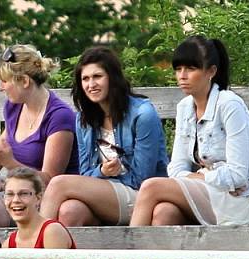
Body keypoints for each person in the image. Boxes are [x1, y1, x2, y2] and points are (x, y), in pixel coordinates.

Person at [110, 36, 249, 259]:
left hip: (236, 202)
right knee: (162, 215)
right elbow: (176, 167)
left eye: (190, 69)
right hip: (208, 193)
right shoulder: (186, 107)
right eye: (178, 69)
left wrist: (201, 176)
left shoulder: (229, 105)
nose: (182, 76)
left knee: (150, 188)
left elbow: (237, 175)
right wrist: (197, 176)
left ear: (210, 71)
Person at [41, 46, 169, 227]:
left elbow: (142, 179)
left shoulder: (143, 114)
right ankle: (57, 255)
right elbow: (85, 173)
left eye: (97, 76)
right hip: (106, 195)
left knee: (59, 184)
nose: (91, 84)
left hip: (141, 198)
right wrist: (102, 172)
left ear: (112, 77)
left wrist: (109, 177)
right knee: (70, 211)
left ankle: (33, 251)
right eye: (85, 79)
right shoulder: (84, 119)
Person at [0, 44, 77, 227]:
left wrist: (9, 163)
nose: (1, 88)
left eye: (4, 81)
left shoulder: (59, 116)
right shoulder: (14, 106)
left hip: (43, 199)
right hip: (16, 192)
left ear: (24, 81)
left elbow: (50, 182)